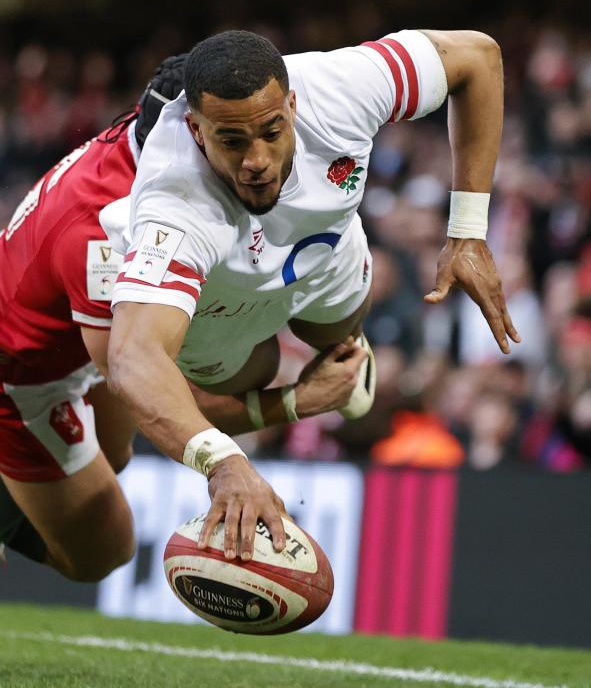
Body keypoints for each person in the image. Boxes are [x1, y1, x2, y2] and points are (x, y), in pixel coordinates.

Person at [0, 56, 366, 620]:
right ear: (190, 134)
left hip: (69, 327)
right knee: (100, 552)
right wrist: (299, 402)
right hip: (6, 361)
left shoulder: (151, 144)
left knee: (112, 457)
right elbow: (162, 404)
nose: (246, 160)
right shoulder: (110, 232)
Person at [102, 29, 519, 563]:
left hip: (326, 251)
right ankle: (294, 390)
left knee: (333, 337)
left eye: (271, 131)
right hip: (220, 297)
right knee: (244, 379)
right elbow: (132, 358)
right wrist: (224, 462)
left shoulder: (343, 87)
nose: (256, 159)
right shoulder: (175, 199)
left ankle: (345, 356)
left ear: (293, 103)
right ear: (196, 131)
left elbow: (478, 58)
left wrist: (467, 231)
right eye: (232, 141)